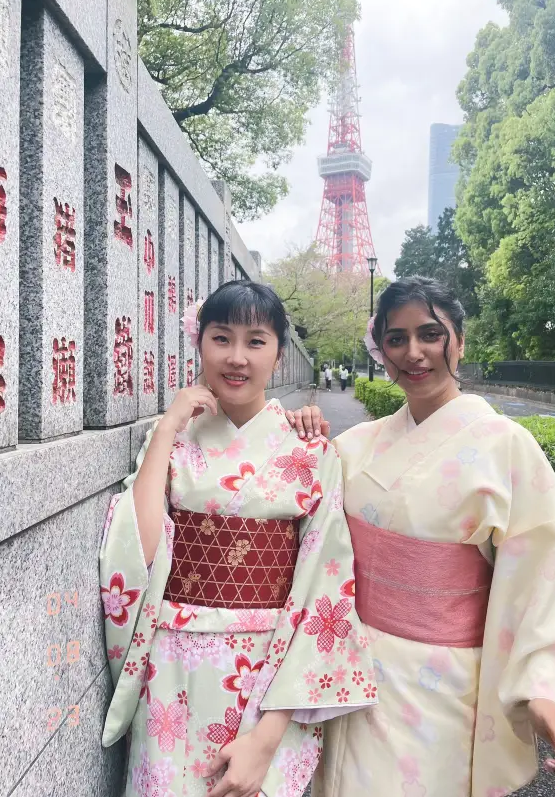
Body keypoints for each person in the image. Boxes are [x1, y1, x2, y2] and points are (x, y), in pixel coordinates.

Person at [286, 277, 555, 797]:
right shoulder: (353, 446)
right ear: (382, 350)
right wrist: (293, 431)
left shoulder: (505, 445)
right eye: (396, 338)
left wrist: (547, 686)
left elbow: (549, 573)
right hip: (351, 664)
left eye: (430, 334)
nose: (413, 352)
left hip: (443, 681)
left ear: (458, 341)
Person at [100, 281, 376, 797]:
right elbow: (133, 554)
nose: (236, 357)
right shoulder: (173, 441)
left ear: (279, 353)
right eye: (221, 338)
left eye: (256, 341)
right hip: (171, 669)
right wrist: (165, 430)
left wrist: (268, 737)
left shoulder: (312, 452)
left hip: (269, 674)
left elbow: (325, 594)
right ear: (199, 343)